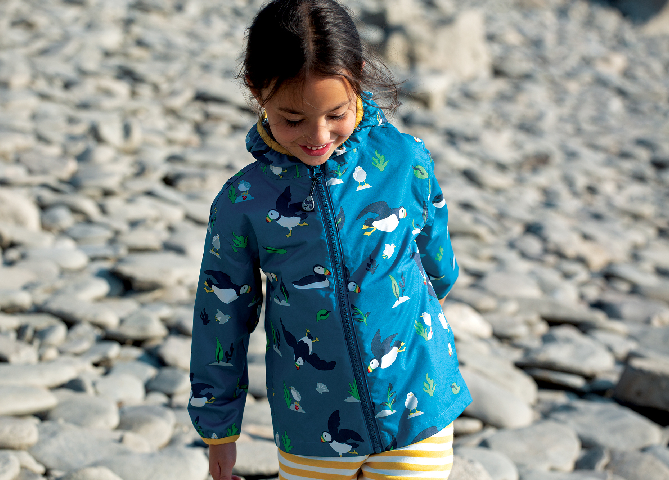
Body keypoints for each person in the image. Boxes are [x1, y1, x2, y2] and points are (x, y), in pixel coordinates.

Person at [188, 1, 472, 479]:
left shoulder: (402, 158)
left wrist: (408, 313)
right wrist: (220, 432)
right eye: (293, 119)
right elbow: (221, 318)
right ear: (258, 91)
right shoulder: (244, 200)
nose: (318, 136)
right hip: (312, 423)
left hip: (417, 399)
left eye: (335, 114)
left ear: (357, 77)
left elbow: (435, 254)